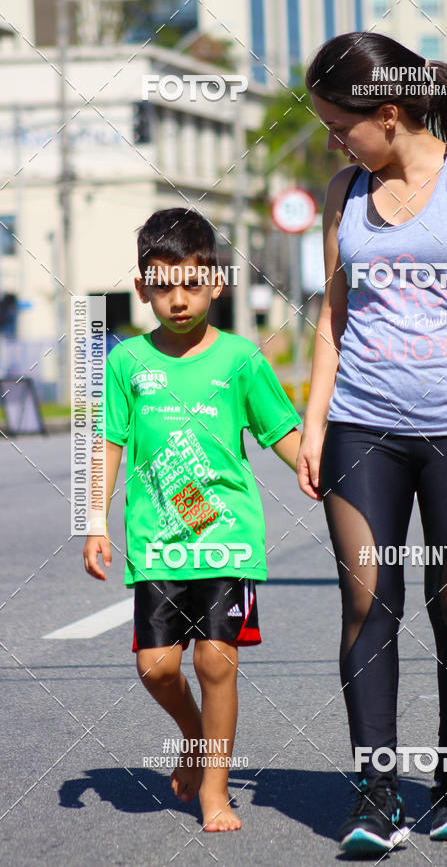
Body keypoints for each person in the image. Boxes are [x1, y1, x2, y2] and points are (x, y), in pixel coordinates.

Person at [297, 32, 447, 854]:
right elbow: (334, 315)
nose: (333, 141)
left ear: (387, 113)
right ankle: (374, 799)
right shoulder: (345, 190)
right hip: (364, 426)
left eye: (339, 126)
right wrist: (315, 419)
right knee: (367, 600)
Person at [83, 208, 301, 832]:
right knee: (156, 667)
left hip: (225, 536)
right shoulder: (127, 364)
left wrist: (323, 477)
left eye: (191, 282)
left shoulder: (239, 358)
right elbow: (108, 443)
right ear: (142, 288)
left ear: (216, 282)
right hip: (157, 541)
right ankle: (191, 734)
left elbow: (280, 430)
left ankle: (215, 790)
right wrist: (95, 521)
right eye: (162, 284)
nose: (177, 298)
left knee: (215, 663)